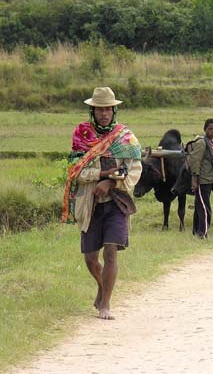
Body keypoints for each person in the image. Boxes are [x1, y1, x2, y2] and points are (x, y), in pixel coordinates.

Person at [61, 87, 142, 320]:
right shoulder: (82, 135)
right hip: (90, 203)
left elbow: (133, 170)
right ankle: (102, 286)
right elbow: (76, 170)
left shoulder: (125, 136)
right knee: (89, 257)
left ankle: (106, 304)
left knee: (111, 251)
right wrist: (102, 175)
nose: (104, 113)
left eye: (108, 108)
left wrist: (112, 184)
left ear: (114, 110)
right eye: (99, 109)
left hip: (116, 203)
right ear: (92, 111)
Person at [188, 118, 213, 238]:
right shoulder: (202, 143)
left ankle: (196, 230)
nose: (212, 132)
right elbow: (194, 160)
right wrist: (195, 178)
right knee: (204, 207)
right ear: (205, 129)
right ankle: (203, 232)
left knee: (200, 205)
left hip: (209, 179)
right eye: (210, 129)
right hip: (202, 180)